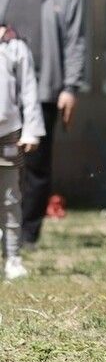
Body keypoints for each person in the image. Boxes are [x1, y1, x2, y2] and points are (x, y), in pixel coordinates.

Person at [0, 0, 84, 249]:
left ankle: (27, 234)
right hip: (6, 90)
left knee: (35, 164)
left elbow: (75, 43)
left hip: (46, 91)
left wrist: (70, 89)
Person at [0, 25, 45, 280]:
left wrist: (31, 130)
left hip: (8, 132)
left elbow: (29, 90)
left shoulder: (14, 46)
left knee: (9, 199)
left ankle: (13, 258)